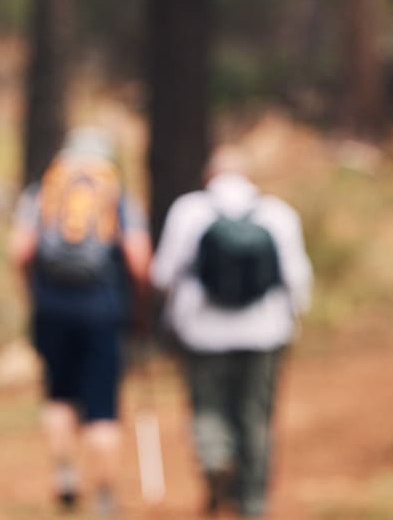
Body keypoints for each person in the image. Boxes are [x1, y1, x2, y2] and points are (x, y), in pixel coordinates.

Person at [149, 147, 313, 518]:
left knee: (207, 406)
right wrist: (292, 321)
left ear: (210, 177)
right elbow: (298, 280)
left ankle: (215, 459)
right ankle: (253, 501)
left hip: (201, 333)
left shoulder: (189, 211)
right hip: (265, 333)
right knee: (256, 416)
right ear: (251, 177)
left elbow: (162, 275)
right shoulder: (278, 214)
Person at [8, 128, 152, 515]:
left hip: (51, 308)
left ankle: (65, 475)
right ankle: (104, 498)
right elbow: (139, 260)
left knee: (58, 396)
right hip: (102, 310)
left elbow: (20, 251)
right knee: (102, 409)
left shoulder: (44, 190)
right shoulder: (116, 193)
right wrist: (140, 308)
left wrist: (33, 295)